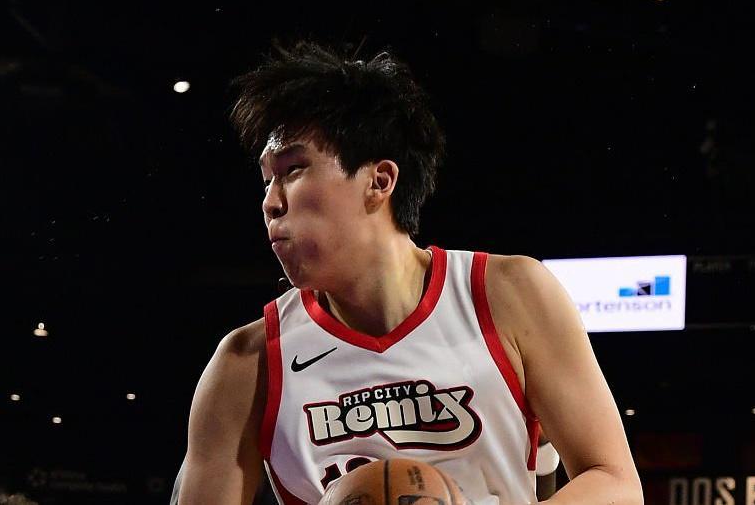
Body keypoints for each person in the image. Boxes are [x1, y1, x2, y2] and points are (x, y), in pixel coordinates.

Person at [174, 41, 641, 505]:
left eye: (293, 170)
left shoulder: (508, 292)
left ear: (379, 181)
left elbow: (616, 482)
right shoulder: (246, 363)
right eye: (266, 180)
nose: (271, 202)